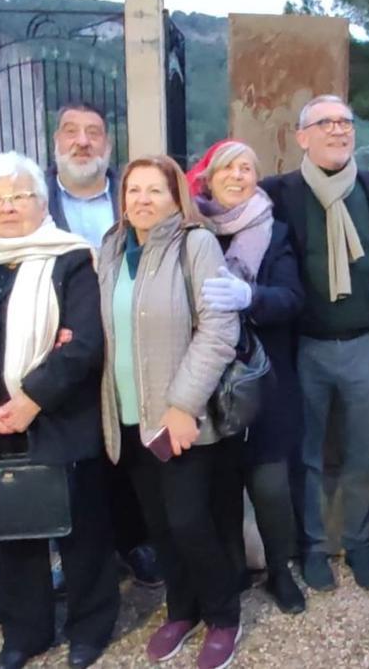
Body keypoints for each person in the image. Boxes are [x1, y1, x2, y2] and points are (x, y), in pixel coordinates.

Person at [0, 152, 120, 668]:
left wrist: (31, 398)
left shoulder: (73, 259)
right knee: (14, 533)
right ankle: (26, 633)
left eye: (18, 196)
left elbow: (84, 343)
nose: (7, 207)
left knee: (81, 530)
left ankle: (90, 627)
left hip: (60, 417)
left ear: (41, 200)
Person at [260, 94, 369, 592]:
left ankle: (361, 544)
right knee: (306, 453)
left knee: (361, 451)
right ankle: (314, 547)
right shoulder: (277, 194)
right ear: (302, 136)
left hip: (363, 343)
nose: (338, 131)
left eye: (346, 121)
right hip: (304, 346)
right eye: (325, 123)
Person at [97, 155, 242, 668]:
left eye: (154, 191)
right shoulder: (112, 248)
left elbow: (221, 329)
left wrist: (183, 405)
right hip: (129, 418)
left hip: (180, 419)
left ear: (176, 196)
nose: (141, 200)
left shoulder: (195, 244)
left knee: (189, 523)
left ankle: (224, 614)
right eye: (133, 190)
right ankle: (181, 610)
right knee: (158, 526)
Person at [45, 102, 162, 588]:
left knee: (128, 449)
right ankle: (70, 553)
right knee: (70, 454)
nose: (83, 142)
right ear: (56, 143)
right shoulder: (37, 203)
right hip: (61, 349)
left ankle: (134, 542)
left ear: (108, 147)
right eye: (71, 132)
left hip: (127, 346)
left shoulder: (131, 197)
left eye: (94, 133)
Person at [190, 140, 307, 614]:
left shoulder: (273, 231)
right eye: (228, 168)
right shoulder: (189, 229)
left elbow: (293, 298)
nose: (238, 176)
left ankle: (280, 570)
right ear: (209, 178)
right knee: (219, 487)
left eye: (247, 168)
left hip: (262, 376)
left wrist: (250, 297)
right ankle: (232, 569)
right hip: (204, 378)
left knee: (271, 486)